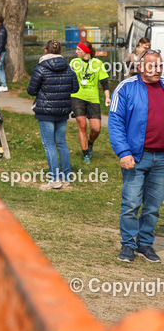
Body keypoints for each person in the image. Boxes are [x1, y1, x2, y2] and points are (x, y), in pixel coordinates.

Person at [108, 50, 164, 263]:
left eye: (160, 66)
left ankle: (145, 244)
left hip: (161, 158)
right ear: (141, 67)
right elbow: (115, 123)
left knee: (153, 206)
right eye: (152, 66)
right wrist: (124, 152)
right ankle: (128, 245)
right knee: (131, 203)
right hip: (136, 157)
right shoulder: (125, 88)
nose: (157, 70)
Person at [28, 40, 79, 190]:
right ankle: (66, 177)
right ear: (60, 51)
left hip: (45, 111)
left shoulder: (40, 68)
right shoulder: (68, 68)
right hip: (62, 110)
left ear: (45, 51)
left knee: (49, 144)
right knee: (61, 143)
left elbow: (31, 90)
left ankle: (55, 179)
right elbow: (75, 88)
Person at [70, 41, 110, 163]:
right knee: (82, 125)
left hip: (93, 98)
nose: (76, 52)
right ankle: (85, 153)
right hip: (77, 97)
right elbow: (68, 79)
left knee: (96, 128)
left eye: (78, 49)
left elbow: (104, 82)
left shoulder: (98, 63)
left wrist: (107, 97)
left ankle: (90, 143)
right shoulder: (74, 62)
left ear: (86, 50)